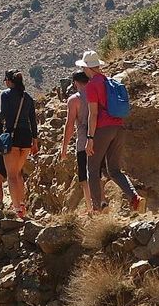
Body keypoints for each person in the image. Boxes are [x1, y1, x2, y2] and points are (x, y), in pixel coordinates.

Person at [77, 50, 143, 214]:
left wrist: (90, 137)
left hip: (103, 130)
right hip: (119, 127)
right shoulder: (109, 81)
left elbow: (93, 114)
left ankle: (97, 207)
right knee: (114, 169)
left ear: (87, 68)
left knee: (92, 168)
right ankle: (135, 198)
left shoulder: (92, 85)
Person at [61, 71, 108, 208]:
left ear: (75, 82)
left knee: (85, 177)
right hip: (100, 138)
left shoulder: (74, 99)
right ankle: (103, 201)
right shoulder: (97, 93)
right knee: (97, 172)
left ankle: (91, 207)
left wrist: (64, 148)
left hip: (83, 141)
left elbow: (69, 125)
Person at [0, 70, 39, 220]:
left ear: (9, 81)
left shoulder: (5, 94)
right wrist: (35, 140)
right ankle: (22, 205)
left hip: (12, 137)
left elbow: (2, 115)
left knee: (11, 176)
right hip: (26, 138)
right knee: (19, 174)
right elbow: (33, 121)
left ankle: (17, 208)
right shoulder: (27, 98)